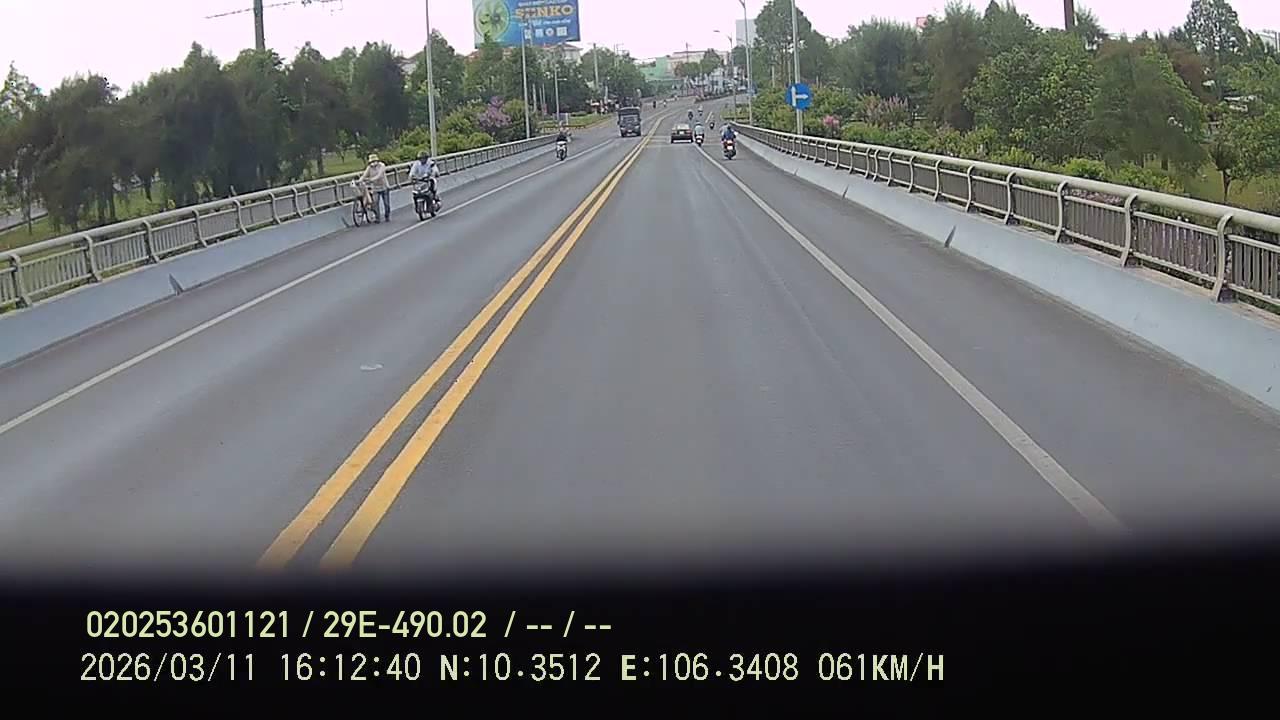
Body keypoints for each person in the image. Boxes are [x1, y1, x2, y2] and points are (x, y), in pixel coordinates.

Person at [357, 153, 391, 223]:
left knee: (386, 204)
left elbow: (379, 175)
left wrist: (371, 179)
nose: (373, 163)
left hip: (384, 187)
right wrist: (360, 180)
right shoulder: (369, 168)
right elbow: (364, 175)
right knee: (375, 203)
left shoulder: (382, 165)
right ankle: (377, 217)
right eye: (371, 162)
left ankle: (387, 215)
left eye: (374, 161)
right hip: (375, 188)